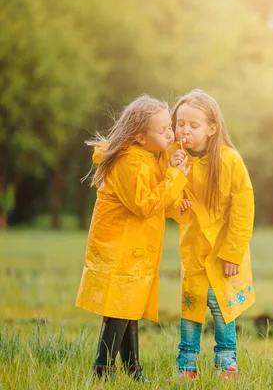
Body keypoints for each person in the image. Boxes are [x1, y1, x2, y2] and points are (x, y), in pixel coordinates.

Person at [75, 95, 191, 381]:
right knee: (120, 309)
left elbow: (156, 200)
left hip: (133, 250)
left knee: (129, 308)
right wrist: (174, 177)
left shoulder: (146, 159)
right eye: (163, 129)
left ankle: (133, 371)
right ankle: (102, 368)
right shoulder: (130, 163)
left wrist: (174, 191)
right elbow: (144, 204)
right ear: (140, 136)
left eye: (170, 127)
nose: (171, 133)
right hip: (120, 248)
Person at [164, 89, 255, 380]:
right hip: (193, 249)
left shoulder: (229, 160)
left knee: (221, 306)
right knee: (191, 305)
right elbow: (169, 208)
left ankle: (227, 363)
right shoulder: (172, 160)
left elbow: (244, 210)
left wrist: (233, 253)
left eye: (194, 125)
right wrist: (174, 174)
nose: (184, 130)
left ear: (212, 128)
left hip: (223, 250)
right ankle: (186, 365)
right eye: (180, 123)